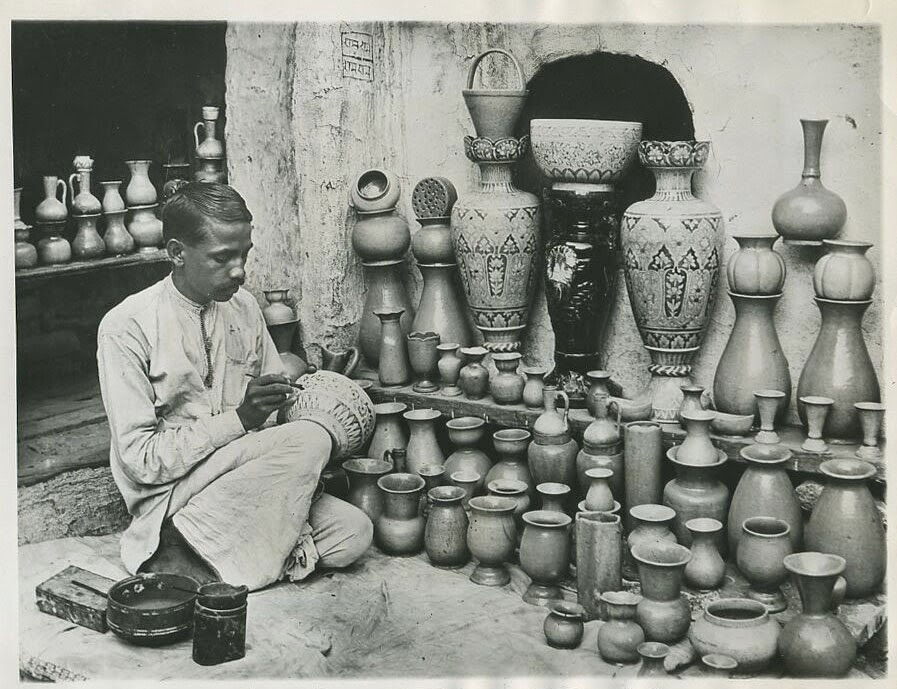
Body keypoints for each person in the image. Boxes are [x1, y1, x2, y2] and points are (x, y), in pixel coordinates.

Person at [96, 182, 373, 591]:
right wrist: (241, 419)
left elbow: (276, 416)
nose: (240, 271)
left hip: (239, 477)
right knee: (308, 441)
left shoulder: (244, 308)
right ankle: (177, 542)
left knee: (354, 532)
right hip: (171, 494)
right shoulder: (127, 326)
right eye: (223, 258)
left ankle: (201, 559)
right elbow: (141, 460)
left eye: (244, 254)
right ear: (176, 253)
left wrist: (290, 405)